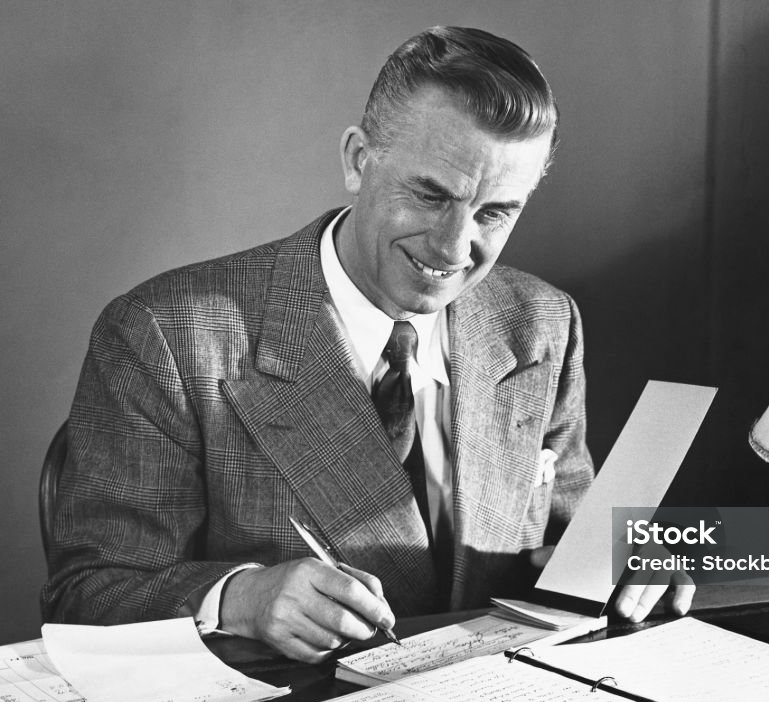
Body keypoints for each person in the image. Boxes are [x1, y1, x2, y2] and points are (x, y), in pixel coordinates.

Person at [42, 26, 692, 662]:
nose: (453, 247)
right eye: (431, 194)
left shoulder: (541, 323)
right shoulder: (165, 336)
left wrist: (633, 556)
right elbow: (85, 596)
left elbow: (575, 535)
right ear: (357, 160)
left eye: (496, 212)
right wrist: (238, 596)